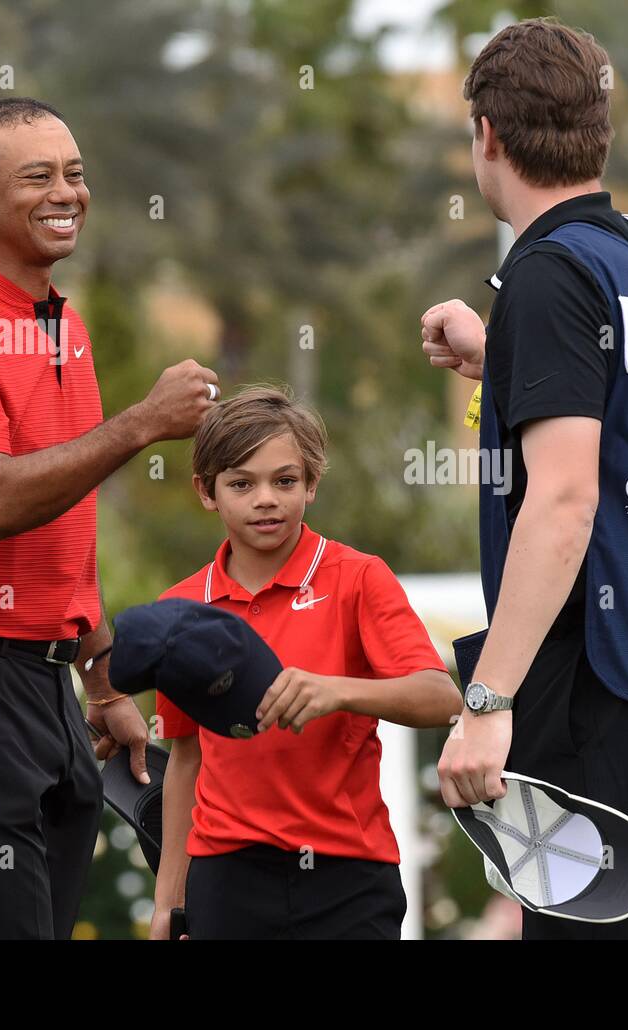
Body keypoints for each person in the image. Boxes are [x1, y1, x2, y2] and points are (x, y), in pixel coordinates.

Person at [0, 97, 221, 939]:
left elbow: (64, 523)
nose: (66, 193)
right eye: (37, 177)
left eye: (75, 173)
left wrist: (99, 682)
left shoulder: (63, 323)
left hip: (45, 683)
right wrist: (140, 423)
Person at [420, 18, 628, 939]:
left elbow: (565, 498)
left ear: (488, 136)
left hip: (596, 682)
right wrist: (505, 359)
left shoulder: (550, 275)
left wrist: (487, 704)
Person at [151, 385, 460, 940]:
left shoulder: (360, 577)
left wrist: (339, 691)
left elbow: (441, 698)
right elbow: (184, 756)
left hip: (349, 875)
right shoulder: (178, 610)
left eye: (285, 481)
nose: (265, 498)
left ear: (312, 483)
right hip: (227, 877)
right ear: (207, 491)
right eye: (241, 484)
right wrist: (167, 903)